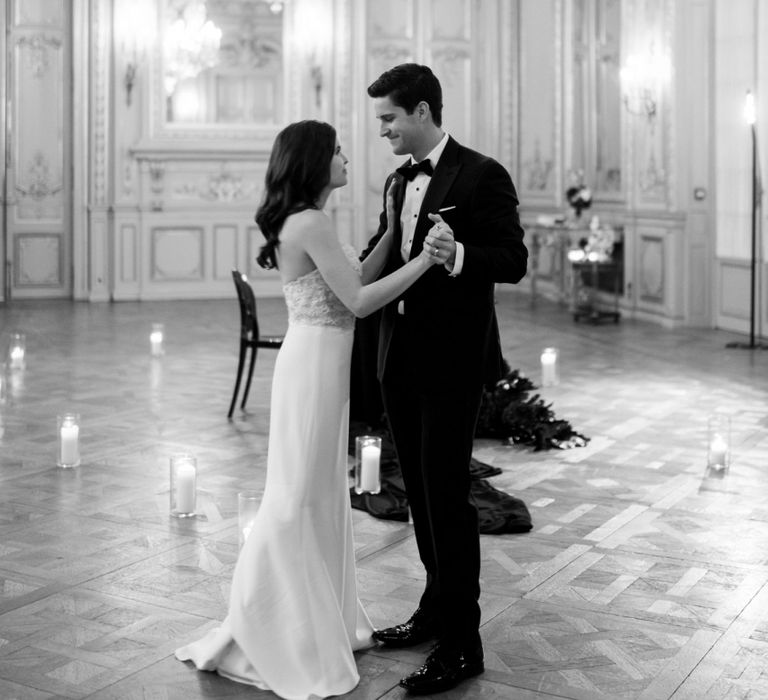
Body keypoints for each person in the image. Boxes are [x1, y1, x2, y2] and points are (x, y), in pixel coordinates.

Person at [174, 120, 443, 700]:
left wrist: (393, 230)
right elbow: (362, 301)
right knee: (297, 496)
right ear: (316, 161)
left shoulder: (309, 219)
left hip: (318, 363)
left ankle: (314, 624)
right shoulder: (312, 221)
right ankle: (266, 625)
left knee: (317, 492)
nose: (347, 156)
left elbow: (356, 277)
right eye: (339, 149)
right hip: (315, 367)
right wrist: (423, 260)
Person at [364, 63, 528, 695]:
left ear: (424, 112)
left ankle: (464, 642)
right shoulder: (395, 179)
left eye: (390, 118)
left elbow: (512, 259)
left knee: (448, 499)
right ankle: (435, 610)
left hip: (453, 362)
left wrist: (458, 254)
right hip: (397, 357)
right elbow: (389, 247)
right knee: (421, 500)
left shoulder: (483, 174)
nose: (383, 130)